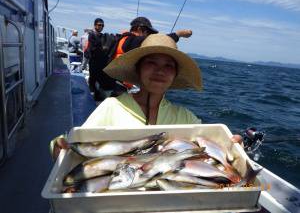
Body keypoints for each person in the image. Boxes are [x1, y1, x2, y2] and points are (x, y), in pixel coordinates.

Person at [51, 34, 242, 159]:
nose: (160, 70)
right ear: (138, 69)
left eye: (168, 66)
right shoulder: (112, 107)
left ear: (175, 75)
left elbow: (213, 147)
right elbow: (76, 147)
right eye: (151, 62)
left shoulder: (185, 117)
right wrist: (59, 145)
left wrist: (233, 145)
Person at [84, 16, 193, 101]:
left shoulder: (121, 39)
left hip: (100, 83)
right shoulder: (131, 41)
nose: (148, 37)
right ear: (140, 29)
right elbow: (158, 42)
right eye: (148, 33)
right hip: (112, 87)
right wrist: (179, 34)